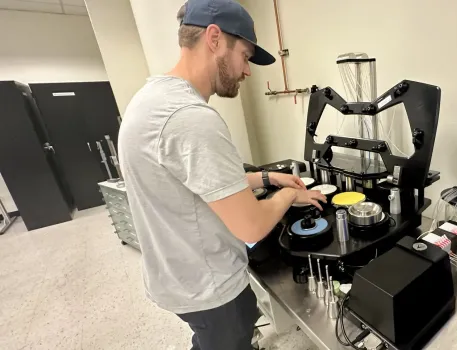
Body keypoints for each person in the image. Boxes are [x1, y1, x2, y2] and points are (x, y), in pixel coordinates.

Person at [118, 0, 327, 349]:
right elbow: (252, 227)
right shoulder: (191, 118)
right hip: (208, 288)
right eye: (245, 56)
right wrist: (291, 193)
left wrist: (267, 179)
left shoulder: (151, 98)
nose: (247, 71)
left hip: (177, 276)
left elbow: (192, 182)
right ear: (215, 38)